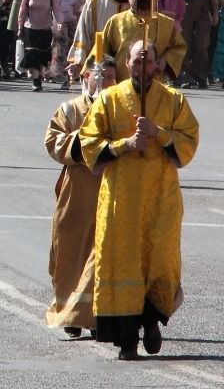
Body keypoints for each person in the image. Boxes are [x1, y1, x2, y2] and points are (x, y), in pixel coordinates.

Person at [79, 41, 199, 360]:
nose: (142, 66)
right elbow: (89, 142)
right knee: (122, 263)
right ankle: (127, 339)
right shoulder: (109, 98)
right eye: (136, 60)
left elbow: (188, 142)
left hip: (160, 197)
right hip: (121, 197)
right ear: (127, 63)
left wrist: (159, 133)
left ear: (157, 65)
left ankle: (152, 320)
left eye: (148, 61)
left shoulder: (174, 100)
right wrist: (124, 144)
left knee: (159, 260)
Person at [45, 56, 117, 336]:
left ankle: (98, 315)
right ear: (86, 76)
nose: (105, 82)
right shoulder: (70, 109)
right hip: (76, 189)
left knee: (101, 254)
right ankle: (70, 313)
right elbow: (53, 141)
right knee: (69, 251)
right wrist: (86, 139)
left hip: (108, 187)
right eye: (100, 76)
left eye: (111, 77)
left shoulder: (120, 108)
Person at [97, 0, 186, 81]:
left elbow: (179, 47)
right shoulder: (116, 20)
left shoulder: (166, 23)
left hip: (154, 80)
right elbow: (102, 49)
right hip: (122, 79)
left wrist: (165, 60)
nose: (141, 0)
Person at [67, 0, 132, 77]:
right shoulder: (95, 1)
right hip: (98, 62)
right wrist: (78, 61)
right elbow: (83, 31)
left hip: (126, 66)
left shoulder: (136, 3)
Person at [173, 0, 219, 88]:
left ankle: (201, 76)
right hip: (185, 10)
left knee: (202, 44)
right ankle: (186, 77)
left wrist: (215, 13)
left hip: (202, 10)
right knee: (184, 43)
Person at [17, 0, 60, 92]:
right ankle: (36, 81)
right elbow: (23, 8)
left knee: (42, 55)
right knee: (32, 53)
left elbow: (57, 9)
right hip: (30, 27)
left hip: (45, 27)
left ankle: (39, 77)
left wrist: (59, 23)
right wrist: (20, 26)